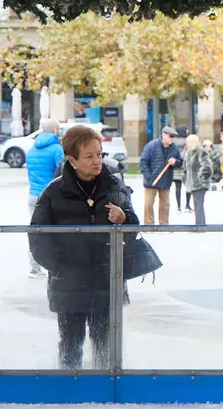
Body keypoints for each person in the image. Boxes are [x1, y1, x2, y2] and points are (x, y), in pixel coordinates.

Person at [28, 125, 139, 369]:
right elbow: (37, 237)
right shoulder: (52, 193)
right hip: (69, 284)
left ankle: (105, 391)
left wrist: (125, 219)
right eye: (89, 156)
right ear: (72, 159)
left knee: (105, 344)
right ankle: (70, 387)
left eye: (99, 154)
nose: (97, 160)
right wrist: (60, 267)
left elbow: (133, 231)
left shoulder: (114, 187)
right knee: (70, 342)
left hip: (106, 281)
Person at [25, 118, 63, 277]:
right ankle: (55, 267)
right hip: (50, 197)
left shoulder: (31, 149)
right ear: (55, 130)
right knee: (55, 232)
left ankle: (34, 268)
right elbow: (63, 172)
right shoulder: (56, 149)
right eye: (59, 129)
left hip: (33, 195)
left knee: (36, 231)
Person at [139, 126, 182, 225]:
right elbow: (143, 162)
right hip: (151, 181)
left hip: (166, 181)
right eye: (171, 136)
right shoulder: (151, 146)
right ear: (164, 135)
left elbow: (180, 162)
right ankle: (149, 225)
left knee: (165, 205)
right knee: (148, 204)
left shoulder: (174, 148)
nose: (172, 138)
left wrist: (175, 161)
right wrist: (148, 176)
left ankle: (164, 224)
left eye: (173, 137)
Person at [182, 134, 217, 226]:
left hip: (200, 184)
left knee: (198, 204)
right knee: (197, 204)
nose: (190, 144)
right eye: (188, 142)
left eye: (192, 142)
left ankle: (199, 225)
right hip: (192, 183)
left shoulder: (201, 152)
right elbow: (185, 167)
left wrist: (201, 179)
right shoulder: (188, 153)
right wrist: (185, 178)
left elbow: (207, 167)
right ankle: (201, 224)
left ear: (197, 143)